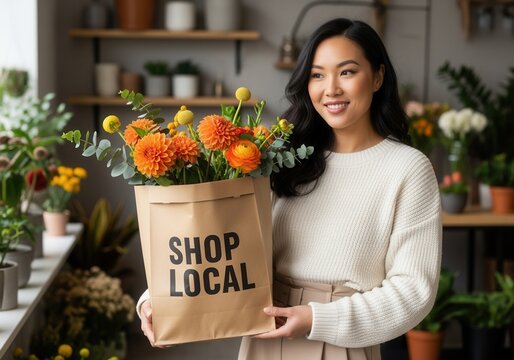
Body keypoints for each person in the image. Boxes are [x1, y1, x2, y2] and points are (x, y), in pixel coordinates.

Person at [138, 17, 442, 360]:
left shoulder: (407, 168)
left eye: (347, 72)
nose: (331, 89)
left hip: (341, 342)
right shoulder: (281, 157)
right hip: (264, 336)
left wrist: (316, 318)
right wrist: (157, 299)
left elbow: (414, 291)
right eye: (317, 74)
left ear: (377, 77)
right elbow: (220, 241)